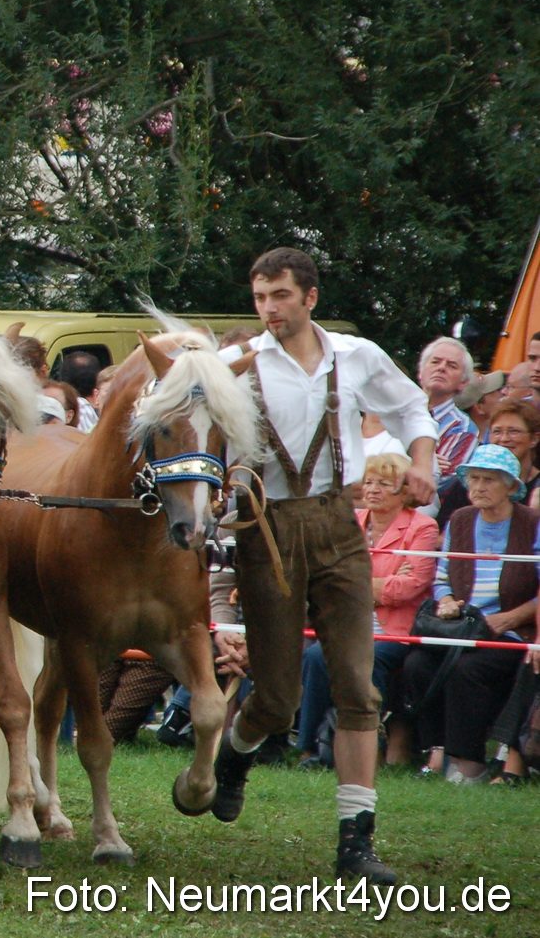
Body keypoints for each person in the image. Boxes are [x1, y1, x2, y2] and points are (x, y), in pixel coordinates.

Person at [212, 246, 437, 885]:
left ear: (310, 297)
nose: (269, 309)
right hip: (267, 531)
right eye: (259, 299)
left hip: (341, 524)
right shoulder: (234, 364)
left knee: (358, 688)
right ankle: (235, 754)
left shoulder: (355, 355)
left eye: (279, 296)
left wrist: (421, 465)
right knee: (278, 701)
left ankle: (355, 844)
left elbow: (413, 409)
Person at [401, 445, 537, 783]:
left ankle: (468, 760)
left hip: (508, 631)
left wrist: (510, 618)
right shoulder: (459, 519)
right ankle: (435, 752)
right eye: (473, 478)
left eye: (489, 480)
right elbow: (442, 574)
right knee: (418, 663)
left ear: (510, 485)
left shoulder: (532, 523)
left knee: (468, 669)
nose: (477, 487)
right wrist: (445, 600)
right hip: (462, 626)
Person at [295, 452, 438, 767]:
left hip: (395, 633)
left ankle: (362, 748)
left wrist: (352, 584)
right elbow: (323, 577)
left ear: (405, 493)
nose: (372, 489)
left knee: (363, 659)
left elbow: (410, 586)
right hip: (347, 624)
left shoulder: (423, 528)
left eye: (385, 484)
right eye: (370, 481)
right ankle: (310, 749)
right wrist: (378, 584)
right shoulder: (348, 521)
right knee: (316, 655)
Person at [435, 399, 540, 528]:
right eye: (497, 431)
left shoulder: (537, 485)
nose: (504, 439)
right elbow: (441, 537)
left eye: (514, 431)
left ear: (534, 439)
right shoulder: (469, 481)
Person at [417, 338, 478, 478]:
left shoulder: (463, 428)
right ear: (420, 373)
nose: (441, 368)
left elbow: (441, 482)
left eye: (452, 365)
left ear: (463, 383)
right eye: (435, 362)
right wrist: (426, 461)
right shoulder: (395, 411)